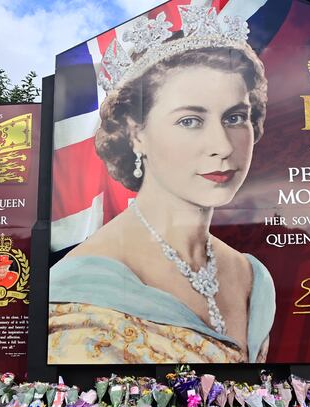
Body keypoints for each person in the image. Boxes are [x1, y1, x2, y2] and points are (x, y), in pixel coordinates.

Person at [48, 6, 274, 364]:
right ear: (136, 134)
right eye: (189, 120)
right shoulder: (78, 288)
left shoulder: (252, 275)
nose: (223, 146)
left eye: (235, 117)